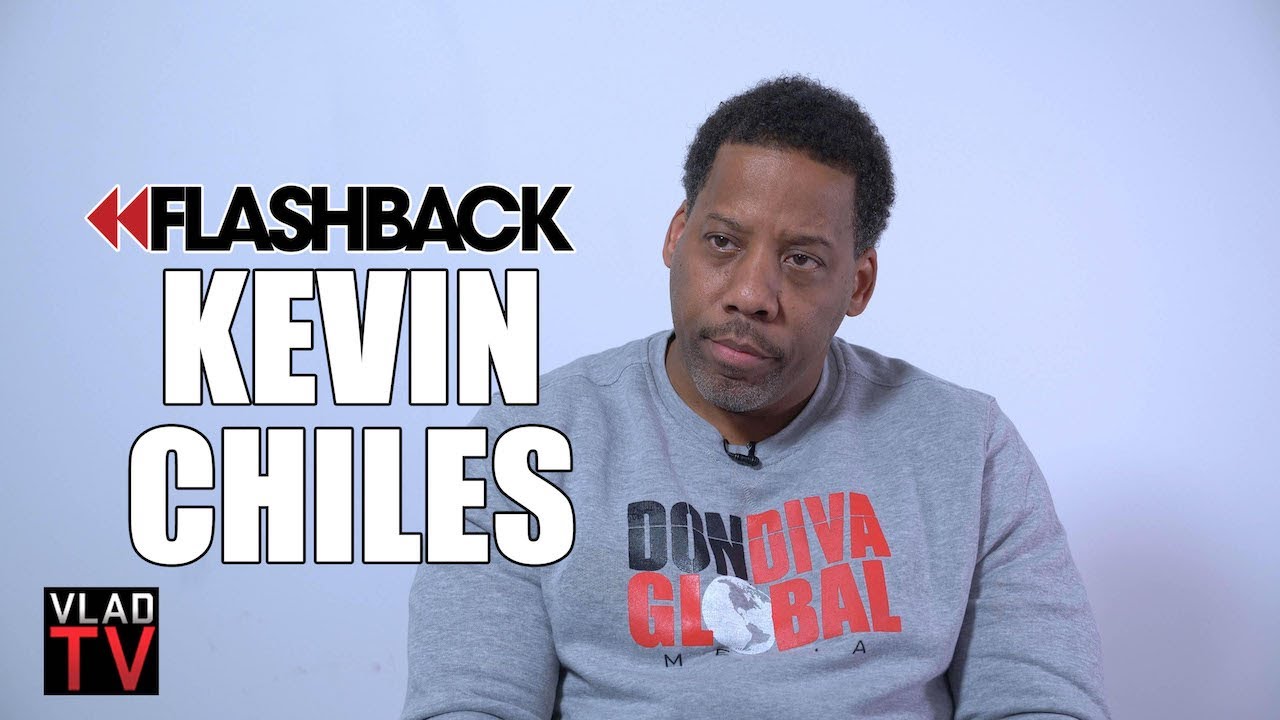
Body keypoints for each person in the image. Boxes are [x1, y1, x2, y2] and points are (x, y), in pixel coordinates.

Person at [402, 76, 1110, 719]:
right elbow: (469, 702)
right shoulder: (528, 441)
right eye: (722, 241)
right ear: (677, 236)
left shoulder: (967, 447)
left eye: (801, 260)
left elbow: (1040, 702)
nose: (750, 294)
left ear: (858, 284)